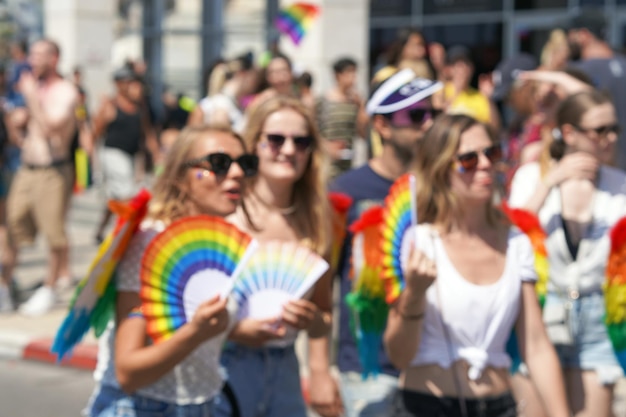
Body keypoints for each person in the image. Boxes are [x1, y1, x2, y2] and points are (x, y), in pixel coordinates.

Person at [384, 114, 570, 417]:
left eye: (492, 153)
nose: (485, 165)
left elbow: (535, 345)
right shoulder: (418, 242)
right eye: (469, 159)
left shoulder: (516, 242)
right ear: (441, 169)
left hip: (498, 406)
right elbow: (399, 355)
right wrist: (415, 294)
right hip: (425, 405)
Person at [85, 124, 259, 417]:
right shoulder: (147, 244)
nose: (237, 173)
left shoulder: (222, 244)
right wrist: (195, 332)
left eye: (245, 163)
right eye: (219, 163)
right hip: (143, 407)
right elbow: (128, 371)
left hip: (207, 404)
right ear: (181, 176)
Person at [308, 68, 443, 417]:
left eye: (433, 114)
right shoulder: (345, 193)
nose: (428, 124)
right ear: (382, 126)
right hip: (367, 369)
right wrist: (320, 370)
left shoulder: (444, 191)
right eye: (415, 115)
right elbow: (321, 286)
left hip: (435, 363)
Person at [212, 96, 333, 417]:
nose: (289, 150)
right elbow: (186, 310)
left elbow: (324, 314)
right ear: (253, 145)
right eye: (276, 139)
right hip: (225, 365)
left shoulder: (318, 221)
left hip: (286, 373)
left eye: (301, 141)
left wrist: (318, 361)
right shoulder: (226, 213)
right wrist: (234, 331)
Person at [508, 90, 625, 417]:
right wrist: (550, 183)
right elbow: (510, 235)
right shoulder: (533, 177)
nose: (610, 138)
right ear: (570, 133)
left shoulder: (619, 184)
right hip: (543, 310)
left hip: (597, 314)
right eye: (600, 130)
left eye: (614, 128)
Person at [1, 39, 79, 316]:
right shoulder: (36, 88)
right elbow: (22, 123)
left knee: (53, 232)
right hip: (26, 168)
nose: (32, 60)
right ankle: (5, 286)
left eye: (38, 55)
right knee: (11, 224)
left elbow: (50, 128)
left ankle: (49, 287)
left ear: (54, 58)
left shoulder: (66, 90)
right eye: (31, 55)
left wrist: (32, 97)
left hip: (53, 171)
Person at [91, 66, 158, 243]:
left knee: (114, 198)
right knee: (128, 193)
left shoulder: (139, 107)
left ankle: (101, 231)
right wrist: (93, 161)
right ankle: (126, 234)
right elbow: (96, 133)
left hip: (132, 156)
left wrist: (156, 154)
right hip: (113, 154)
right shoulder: (110, 105)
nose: (130, 86)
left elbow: (147, 133)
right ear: (118, 84)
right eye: (126, 82)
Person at [566, 9, 626, 169]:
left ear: (584, 35)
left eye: (570, 34)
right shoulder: (623, 63)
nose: (567, 40)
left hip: (604, 163)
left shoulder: (578, 71)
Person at [316, 57, 369, 177]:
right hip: (326, 163)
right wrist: (327, 147)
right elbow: (313, 130)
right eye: (348, 72)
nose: (353, 77)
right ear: (337, 75)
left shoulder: (355, 102)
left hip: (347, 163)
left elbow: (363, 133)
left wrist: (361, 107)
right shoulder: (323, 101)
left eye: (354, 72)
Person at [187, 54, 256, 132]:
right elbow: (221, 139)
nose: (255, 82)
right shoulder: (222, 104)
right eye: (254, 76)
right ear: (242, 74)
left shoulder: (227, 102)